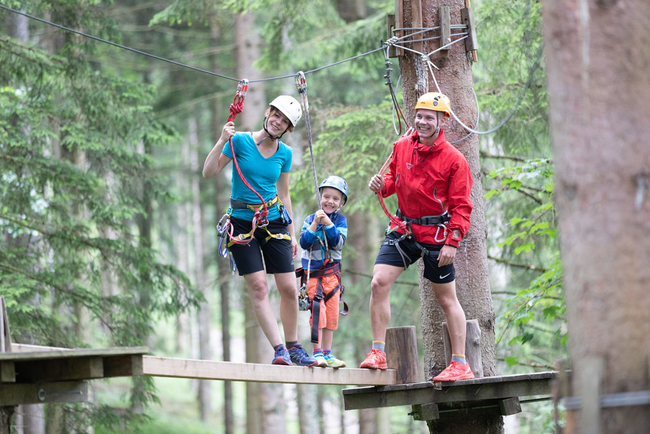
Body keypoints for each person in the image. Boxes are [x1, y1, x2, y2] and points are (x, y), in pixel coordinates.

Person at [360, 92, 475, 382]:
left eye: (429, 118)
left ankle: (460, 363)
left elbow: (461, 206)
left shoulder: (454, 160)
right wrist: (381, 184)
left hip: (437, 234)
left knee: (447, 299)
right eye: (419, 116)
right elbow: (393, 181)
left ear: (441, 121)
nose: (422, 122)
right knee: (378, 281)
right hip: (405, 228)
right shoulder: (401, 147)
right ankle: (377, 352)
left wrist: (452, 241)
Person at [202, 95, 317, 367]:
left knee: (289, 288)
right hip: (241, 223)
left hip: (274, 221)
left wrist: (291, 234)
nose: (278, 122)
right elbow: (209, 172)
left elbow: (284, 194)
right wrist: (221, 140)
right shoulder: (239, 141)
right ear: (268, 112)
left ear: (288, 128)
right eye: (276, 115)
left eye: (284, 121)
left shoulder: (284, 154)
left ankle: (294, 347)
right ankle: (279, 350)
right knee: (258, 287)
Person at [299, 176, 349, 368]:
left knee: (332, 315)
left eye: (335, 198)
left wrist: (328, 223)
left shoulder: (340, 221)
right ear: (320, 197)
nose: (330, 201)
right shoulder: (310, 219)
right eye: (326, 196)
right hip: (315, 277)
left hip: (332, 277)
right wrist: (315, 224)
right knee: (318, 314)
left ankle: (327, 353)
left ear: (341, 203)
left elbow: (338, 242)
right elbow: (304, 242)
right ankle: (317, 352)